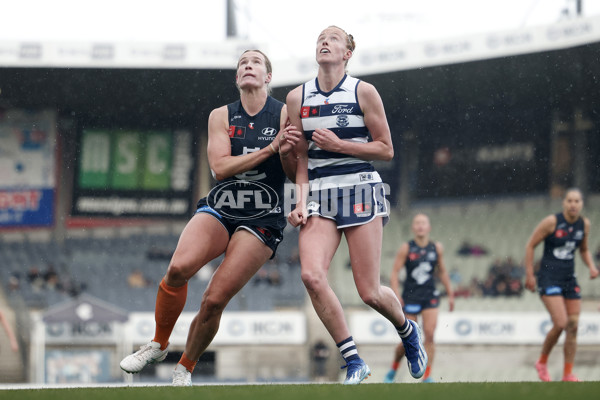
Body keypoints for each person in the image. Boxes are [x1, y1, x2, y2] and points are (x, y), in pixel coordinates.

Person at [120, 49, 300, 386]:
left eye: (256, 62)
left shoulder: (283, 115)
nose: (248, 65)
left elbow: (291, 172)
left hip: (264, 216)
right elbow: (220, 167)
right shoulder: (221, 116)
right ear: (237, 78)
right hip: (221, 205)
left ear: (268, 77)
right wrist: (270, 150)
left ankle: (185, 367)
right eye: (243, 63)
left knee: (214, 300)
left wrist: (287, 152)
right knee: (177, 269)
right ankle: (158, 344)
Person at [286, 25, 427, 385]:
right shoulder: (296, 98)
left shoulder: (364, 92)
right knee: (311, 276)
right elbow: (301, 162)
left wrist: (340, 145)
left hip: (361, 189)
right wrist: (299, 202)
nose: (324, 41)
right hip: (319, 193)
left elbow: (385, 149)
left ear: (347, 53)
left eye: (333, 38)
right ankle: (353, 361)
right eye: (320, 37)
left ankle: (407, 330)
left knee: (369, 292)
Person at [525, 188, 599, 382]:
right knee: (561, 323)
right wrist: (530, 274)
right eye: (569, 201)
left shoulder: (584, 224)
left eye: (577, 201)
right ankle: (541, 362)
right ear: (564, 203)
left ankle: (568, 374)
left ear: (582, 204)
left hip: (569, 278)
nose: (573, 204)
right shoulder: (552, 222)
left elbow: (583, 249)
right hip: (549, 278)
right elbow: (530, 245)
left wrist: (591, 266)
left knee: (573, 326)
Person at [383, 213, 454, 383]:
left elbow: (442, 271)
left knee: (429, 335)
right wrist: (396, 294)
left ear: (429, 227)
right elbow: (394, 272)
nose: (420, 226)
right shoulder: (406, 248)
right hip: (411, 297)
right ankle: (393, 369)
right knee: (408, 338)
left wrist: (451, 294)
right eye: (417, 223)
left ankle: (427, 376)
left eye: (423, 223)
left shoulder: (436, 248)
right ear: (413, 228)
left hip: (430, 296)